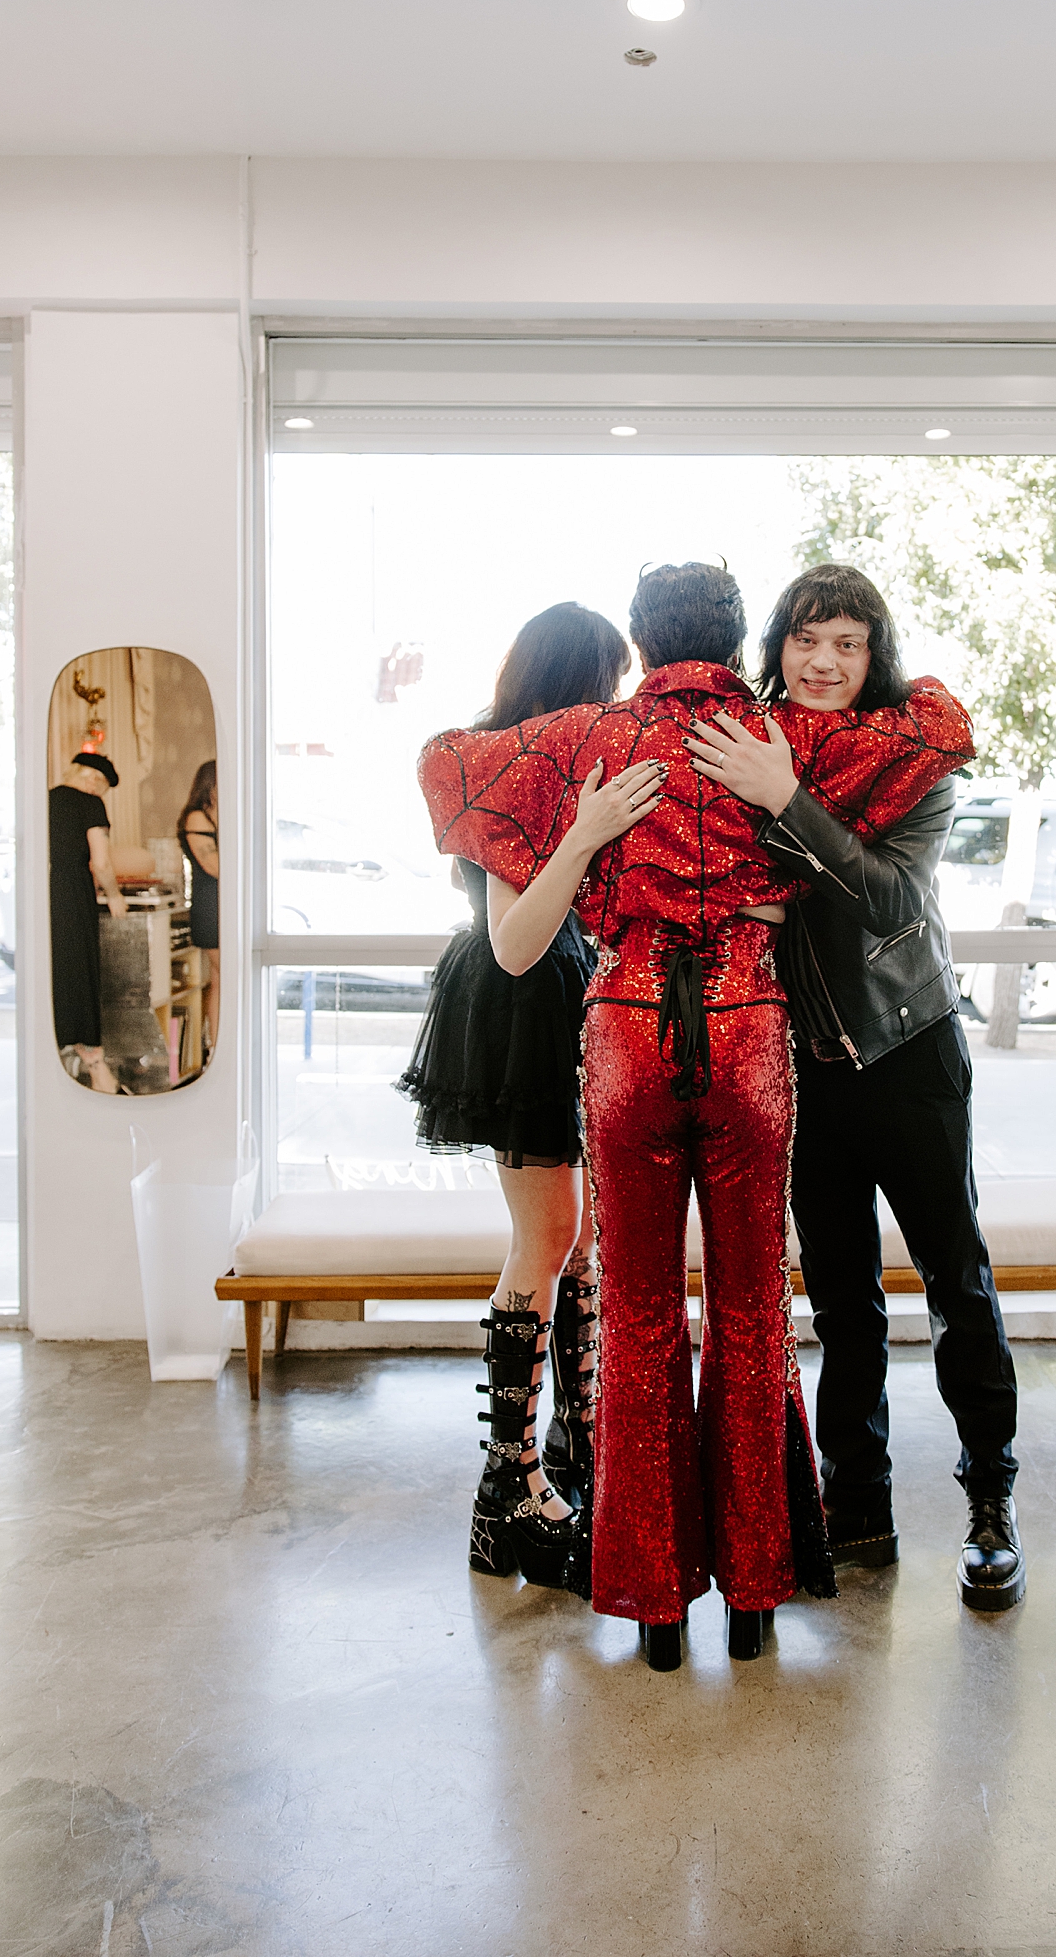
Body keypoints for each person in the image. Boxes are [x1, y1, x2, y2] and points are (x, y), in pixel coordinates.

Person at [419, 563, 973, 1669]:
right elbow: (936, 729)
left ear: (640, 636)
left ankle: (655, 1605)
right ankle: (758, 1597)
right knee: (754, 1309)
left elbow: (447, 764)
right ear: (738, 638)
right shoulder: (779, 740)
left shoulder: (587, 741)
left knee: (634, 1312)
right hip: (751, 1029)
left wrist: (585, 825)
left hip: (625, 1028)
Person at [684, 564, 1024, 1611]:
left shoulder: (912, 761)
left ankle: (990, 1505)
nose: (825, 663)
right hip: (802, 1076)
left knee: (957, 1284)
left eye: (849, 644)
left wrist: (783, 798)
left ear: (876, 656)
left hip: (908, 1050)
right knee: (842, 1302)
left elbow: (883, 903)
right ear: (777, 648)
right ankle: (858, 1505)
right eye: (806, 640)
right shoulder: (742, 743)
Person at [399, 603, 660, 1589]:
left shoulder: (560, 760)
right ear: (567, 678)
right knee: (547, 1237)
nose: (617, 700)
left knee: (579, 1237)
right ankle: (507, 1491)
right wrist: (589, 832)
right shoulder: (493, 768)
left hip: (570, 998)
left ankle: (571, 1451)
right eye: (607, 677)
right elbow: (515, 942)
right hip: (519, 1002)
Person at [48, 751, 128, 1093]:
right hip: (73, 895)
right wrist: (114, 896)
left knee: (53, 972)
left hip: (42, 893)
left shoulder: (45, 799)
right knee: (81, 972)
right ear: (95, 781)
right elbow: (101, 863)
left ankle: (61, 1059)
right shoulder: (90, 804)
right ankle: (98, 1070)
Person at [177, 759, 220, 1057]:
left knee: (220, 980)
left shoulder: (215, 816)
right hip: (211, 908)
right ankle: (217, 1047)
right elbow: (215, 866)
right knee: (228, 978)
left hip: (222, 906)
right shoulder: (197, 818)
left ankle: (218, 1047)